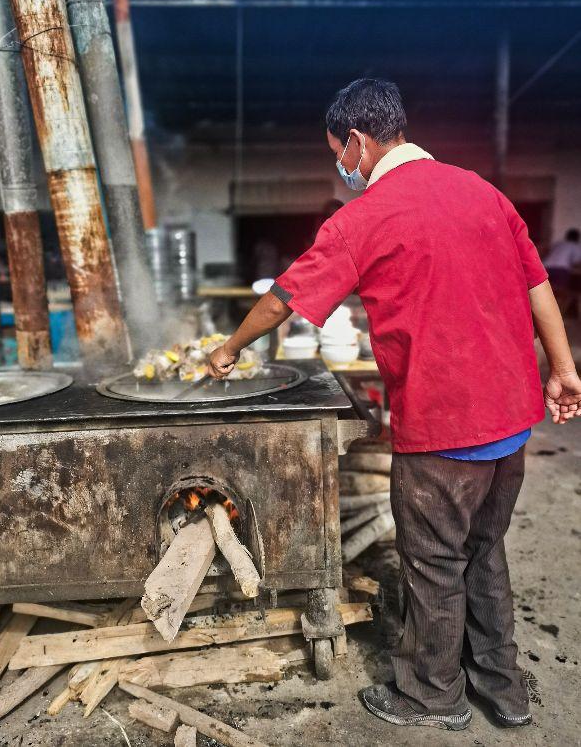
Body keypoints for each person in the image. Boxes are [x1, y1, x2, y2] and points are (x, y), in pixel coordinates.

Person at [208, 78, 581, 732]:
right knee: (483, 550)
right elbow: (537, 284)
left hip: (442, 429)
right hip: (509, 422)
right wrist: (564, 369)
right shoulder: (485, 193)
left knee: (433, 564)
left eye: (338, 153)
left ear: (357, 140)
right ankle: (504, 688)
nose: (341, 167)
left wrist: (228, 348)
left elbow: (281, 302)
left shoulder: (364, 215)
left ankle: (433, 694)